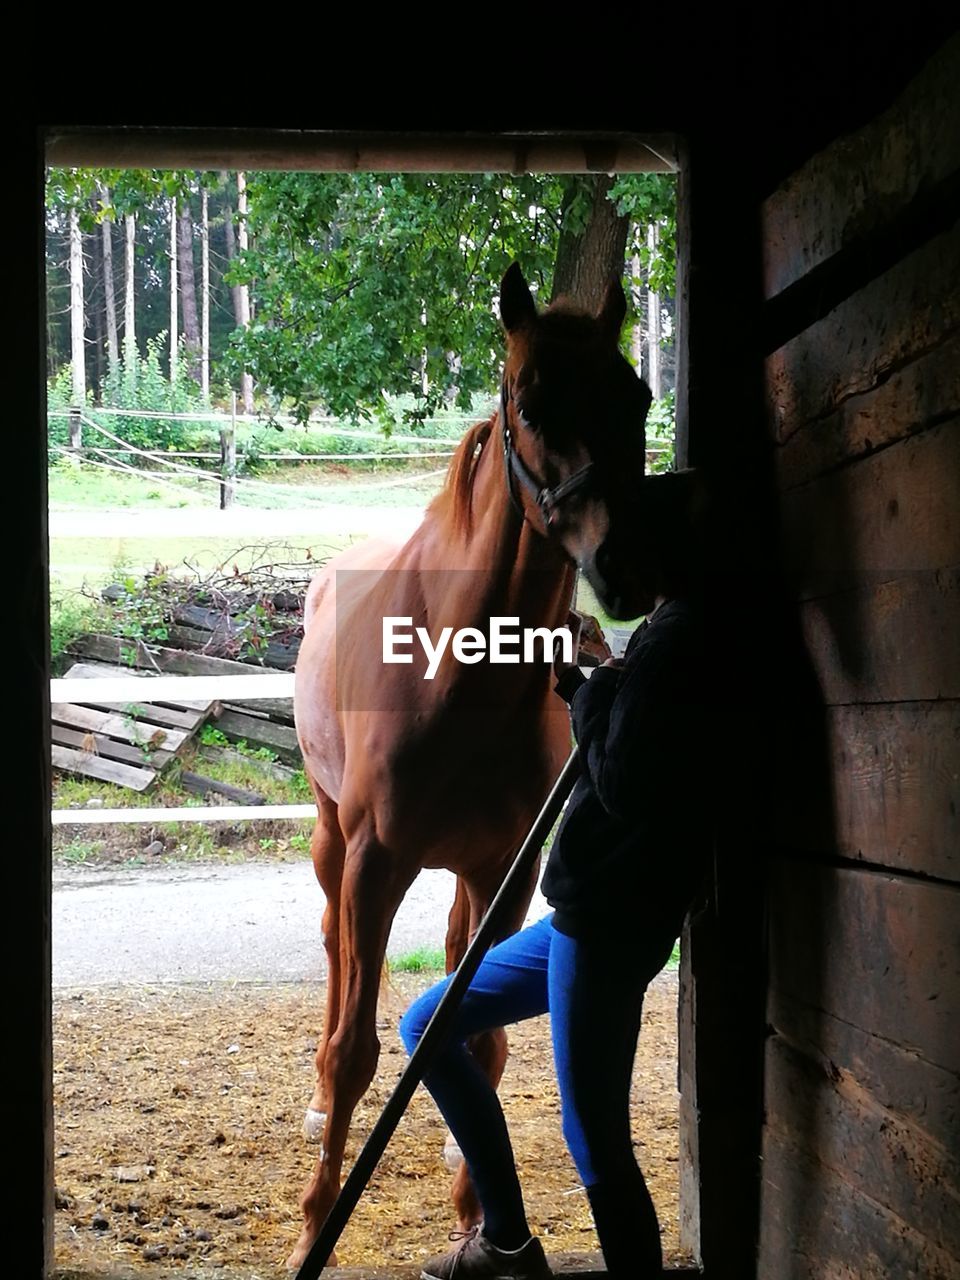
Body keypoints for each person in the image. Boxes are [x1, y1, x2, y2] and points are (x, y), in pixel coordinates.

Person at [399, 471, 714, 1280]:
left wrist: (589, 694)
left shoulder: (682, 641)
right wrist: (598, 680)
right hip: (591, 916)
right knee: (427, 1025)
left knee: (593, 1134)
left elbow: (623, 780)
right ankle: (506, 1239)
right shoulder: (673, 633)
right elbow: (634, 742)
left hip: (606, 922)